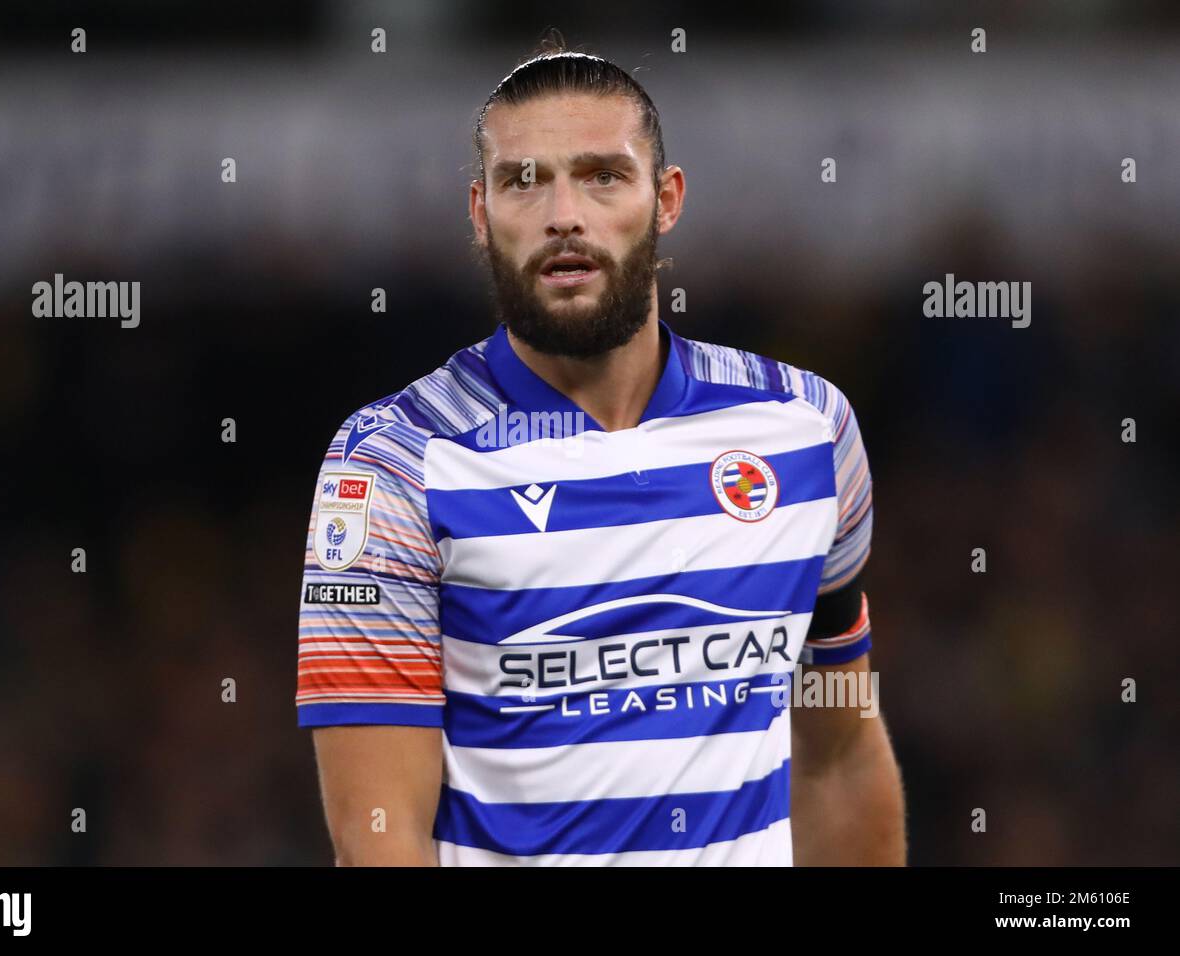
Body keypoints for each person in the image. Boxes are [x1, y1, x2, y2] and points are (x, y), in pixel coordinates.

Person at [298, 44, 906, 866]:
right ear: (479, 214)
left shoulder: (807, 431)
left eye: (602, 176)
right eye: (524, 181)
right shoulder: (396, 464)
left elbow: (837, 758)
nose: (563, 215)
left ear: (667, 200)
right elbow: (379, 839)